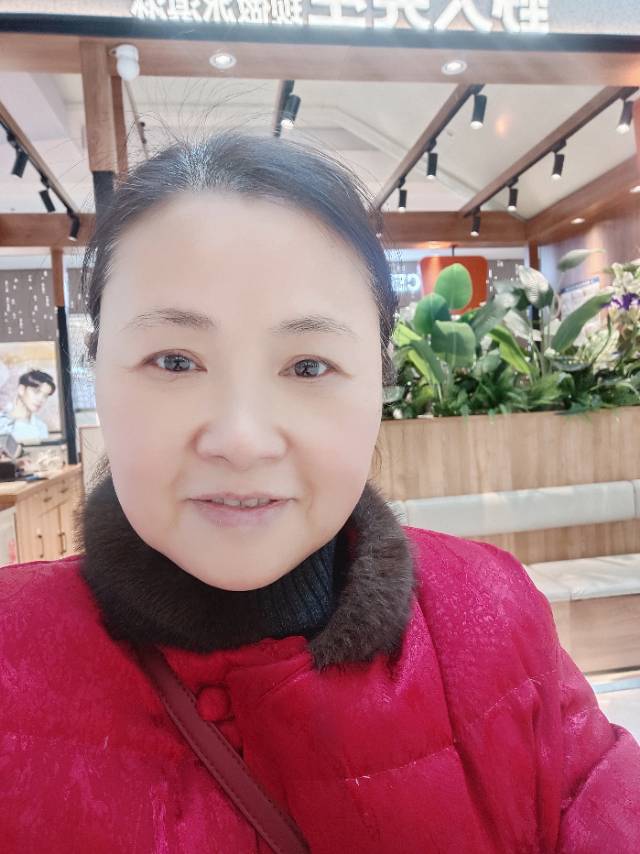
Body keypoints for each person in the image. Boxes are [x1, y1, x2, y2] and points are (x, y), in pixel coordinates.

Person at [1, 133, 639, 854]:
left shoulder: (493, 613)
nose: (242, 440)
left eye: (308, 366)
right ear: (98, 372)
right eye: (174, 360)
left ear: (380, 382)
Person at [0, 368, 55, 444]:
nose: (41, 399)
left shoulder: (41, 427)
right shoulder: (2, 421)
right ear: (21, 389)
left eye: (45, 396)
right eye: (36, 391)